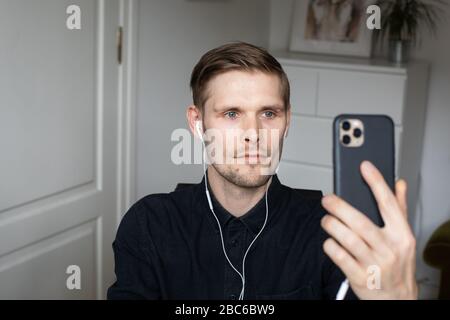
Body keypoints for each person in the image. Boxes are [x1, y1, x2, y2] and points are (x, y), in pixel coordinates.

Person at [107, 42, 418, 300]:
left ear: (287, 121)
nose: (253, 133)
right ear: (197, 122)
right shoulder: (148, 225)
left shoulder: (331, 233)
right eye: (231, 113)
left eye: (268, 113)